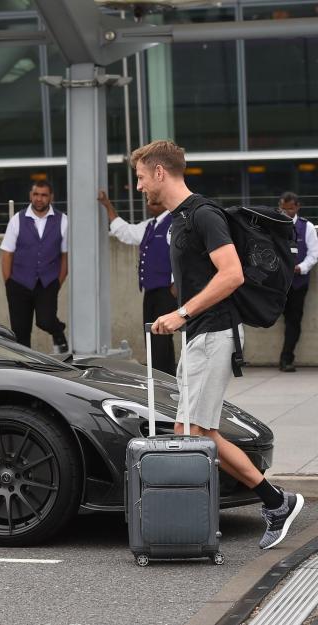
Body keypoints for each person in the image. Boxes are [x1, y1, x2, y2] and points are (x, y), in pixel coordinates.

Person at [139, 139, 304, 550]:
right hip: (202, 334)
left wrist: (183, 313)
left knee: (192, 431)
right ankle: (266, 502)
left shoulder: (202, 214)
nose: (139, 187)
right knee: (195, 431)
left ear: (160, 172)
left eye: (141, 178)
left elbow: (231, 274)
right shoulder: (181, 219)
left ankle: (267, 503)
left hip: (212, 333)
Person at [98, 190, 177, 376]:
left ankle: (161, 378)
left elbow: (179, 256)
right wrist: (107, 206)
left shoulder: (173, 224)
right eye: (149, 202)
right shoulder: (149, 225)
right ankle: (164, 377)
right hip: (150, 291)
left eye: (155, 202)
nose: (151, 205)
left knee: (160, 340)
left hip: (166, 291)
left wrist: (175, 286)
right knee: (152, 337)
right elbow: (125, 232)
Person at [0, 180, 69, 352]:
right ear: (31, 196)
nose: (39, 199)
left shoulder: (63, 221)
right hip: (18, 283)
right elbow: (7, 253)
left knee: (45, 320)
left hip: (47, 282)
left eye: (44, 195)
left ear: (51, 197)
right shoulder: (17, 219)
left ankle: (58, 330)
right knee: (20, 331)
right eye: (36, 194)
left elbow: (64, 256)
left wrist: (56, 283)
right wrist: (8, 282)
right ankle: (25, 368)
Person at [277, 191, 317, 372]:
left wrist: (301, 268)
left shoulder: (306, 227)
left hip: (298, 283)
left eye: (290, 209)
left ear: (297, 207)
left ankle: (286, 358)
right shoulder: (275, 225)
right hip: (279, 284)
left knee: (293, 321)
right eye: (283, 209)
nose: (286, 212)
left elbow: (314, 254)